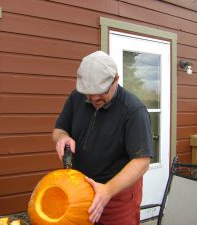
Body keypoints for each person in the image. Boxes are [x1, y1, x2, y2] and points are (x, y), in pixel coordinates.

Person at [52, 51, 153, 225]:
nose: (94, 98)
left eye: (100, 92)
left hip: (117, 195)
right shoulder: (76, 97)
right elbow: (59, 129)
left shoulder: (133, 110)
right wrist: (62, 137)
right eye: (89, 93)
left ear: (116, 79)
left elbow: (142, 161)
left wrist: (107, 191)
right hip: (79, 191)